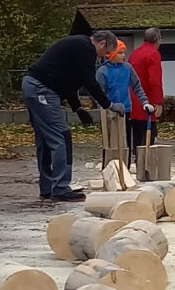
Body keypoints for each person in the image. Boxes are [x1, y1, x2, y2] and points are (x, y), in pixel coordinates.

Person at [22, 28, 113, 204]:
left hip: (36, 86)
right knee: (61, 137)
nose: (103, 57)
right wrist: (108, 104)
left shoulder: (78, 45)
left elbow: (70, 83)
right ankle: (61, 188)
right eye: (105, 53)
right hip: (42, 89)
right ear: (101, 43)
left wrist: (78, 108)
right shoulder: (86, 48)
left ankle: (47, 189)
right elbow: (89, 80)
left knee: (45, 139)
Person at [96, 39, 150, 163]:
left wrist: (145, 102)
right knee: (110, 142)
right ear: (111, 54)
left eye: (124, 53)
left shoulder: (127, 68)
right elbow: (99, 93)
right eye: (120, 53)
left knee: (125, 140)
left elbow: (137, 86)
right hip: (109, 112)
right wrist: (104, 108)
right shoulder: (102, 71)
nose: (123, 56)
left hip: (125, 109)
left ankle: (126, 165)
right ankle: (109, 166)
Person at [127, 27, 164, 157]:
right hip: (147, 100)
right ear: (157, 40)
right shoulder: (153, 54)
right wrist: (158, 102)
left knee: (136, 134)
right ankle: (146, 163)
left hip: (133, 99)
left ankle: (137, 158)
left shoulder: (135, 53)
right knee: (148, 134)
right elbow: (155, 80)